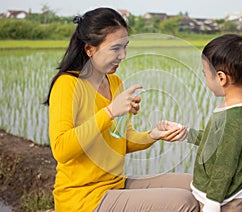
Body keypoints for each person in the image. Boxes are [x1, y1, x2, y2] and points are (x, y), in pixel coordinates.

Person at [43, 7, 199, 212]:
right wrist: (109, 112)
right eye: (115, 49)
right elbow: (61, 150)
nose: (123, 55)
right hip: (83, 198)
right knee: (183, 202)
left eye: (125, 47)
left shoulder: (115, 82)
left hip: (115, 184)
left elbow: (120, 140)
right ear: (90, 49)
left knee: (199, 186)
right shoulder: (68, 85)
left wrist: (154, 135)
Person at [158, 34, 242, 211]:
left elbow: (225, 165)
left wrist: (212, 202)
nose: (205, 80)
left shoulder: (233, 118)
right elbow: (217, 141)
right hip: (221, 196)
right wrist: (187, 133)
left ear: (221, 78)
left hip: (225, 201)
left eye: (205, 74)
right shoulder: (235, 109)